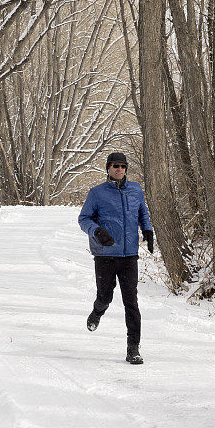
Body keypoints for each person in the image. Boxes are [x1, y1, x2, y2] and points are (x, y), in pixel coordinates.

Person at [78, 152, 154, 365]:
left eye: (122, 166)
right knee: (105, 297)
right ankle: (97, 311)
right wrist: (97, 231)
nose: (119, 169)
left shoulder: (135, 190)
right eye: (115, 166)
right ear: (108, 168)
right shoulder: (97, 193)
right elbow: (83, 219)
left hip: (129, 255)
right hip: (105, 255)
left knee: (131, 302)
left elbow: (142, 212)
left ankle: (133, 349)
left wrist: (147, 230)